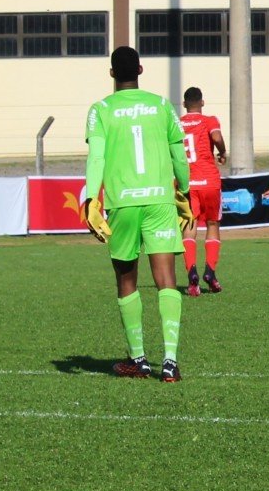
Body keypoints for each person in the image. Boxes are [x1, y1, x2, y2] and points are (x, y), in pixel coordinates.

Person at [81, 46, 192, 380]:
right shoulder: (161, 105)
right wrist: (183, 190)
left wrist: (91, 199)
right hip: (159, 200)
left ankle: (139, 359)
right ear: (141, 70)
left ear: (112, 73)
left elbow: (96, 158)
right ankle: (170, 362)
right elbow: (179, 154)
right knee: (166, 279)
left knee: (126, 278)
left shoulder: (100, 109)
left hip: (123, 202)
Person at [179, 86, 227, 294]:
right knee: (212, 223)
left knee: (189, 225)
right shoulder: (209, 120)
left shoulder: (177, 123)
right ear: (202, 102)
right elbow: (216, 138)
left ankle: (192, 274)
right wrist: (223, 151)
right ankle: (210, 271)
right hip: (209, 180)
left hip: (187, 182)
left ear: (184, 104)